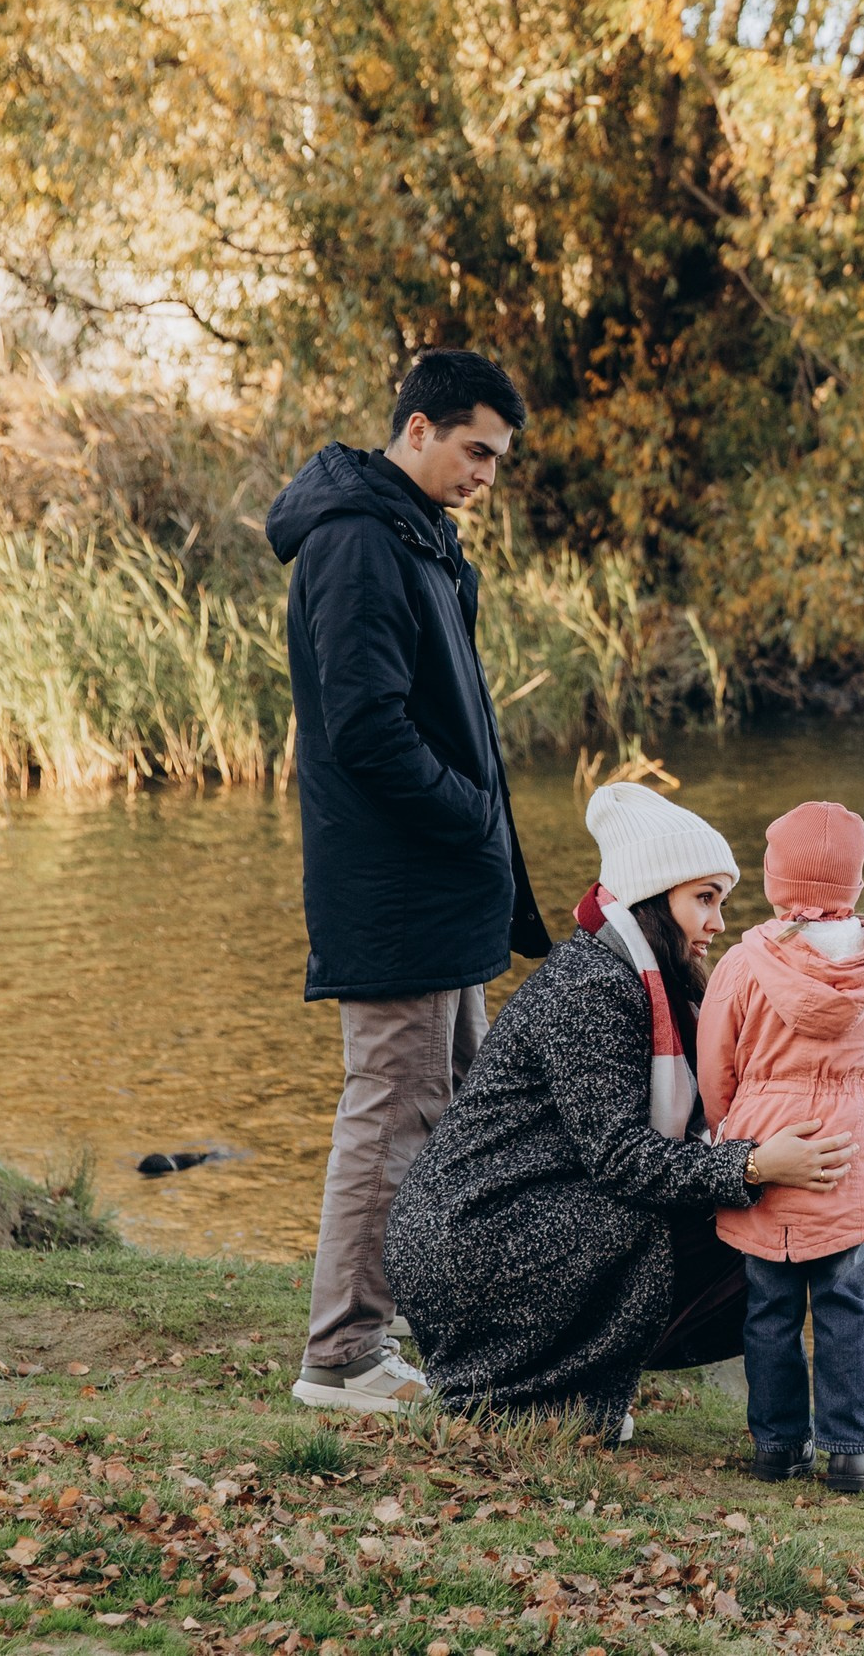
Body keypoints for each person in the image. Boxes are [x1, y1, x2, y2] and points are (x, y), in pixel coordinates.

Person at [264, 350, 553, 1414]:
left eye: (498, 458)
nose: (485, 474)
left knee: (461, 1117)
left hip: (443, 889)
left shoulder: (416, 533)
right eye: (475, 449)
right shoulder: (358, 541)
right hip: (398, 889)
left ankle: (457, 1334)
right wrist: (471, 814)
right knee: (391, 1114)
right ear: (418, 428)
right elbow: (366, 728)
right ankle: (342, 1355)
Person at [384, 783, 855, 1434]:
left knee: (762, 1220)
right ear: (654, 898)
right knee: (709, 1218)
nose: (718, 923)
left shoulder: (630, 976)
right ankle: (515, 1391)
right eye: (705, 899)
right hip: (470, 1242)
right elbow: (621, 1159)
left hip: (502, 1219)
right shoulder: (592, 987)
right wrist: (753, 1165)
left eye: (722, 901)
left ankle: (565, 1384)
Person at [697, 801, 864, 1493]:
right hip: (850, 1149)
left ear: (775, 879)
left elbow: (716, 1062)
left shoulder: (745, 962)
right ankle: (854, 1451)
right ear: (856, 881)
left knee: (769, 1306)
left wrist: (731, 1132)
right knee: (849, 1301)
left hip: (768, 1144)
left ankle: (779, 1446)